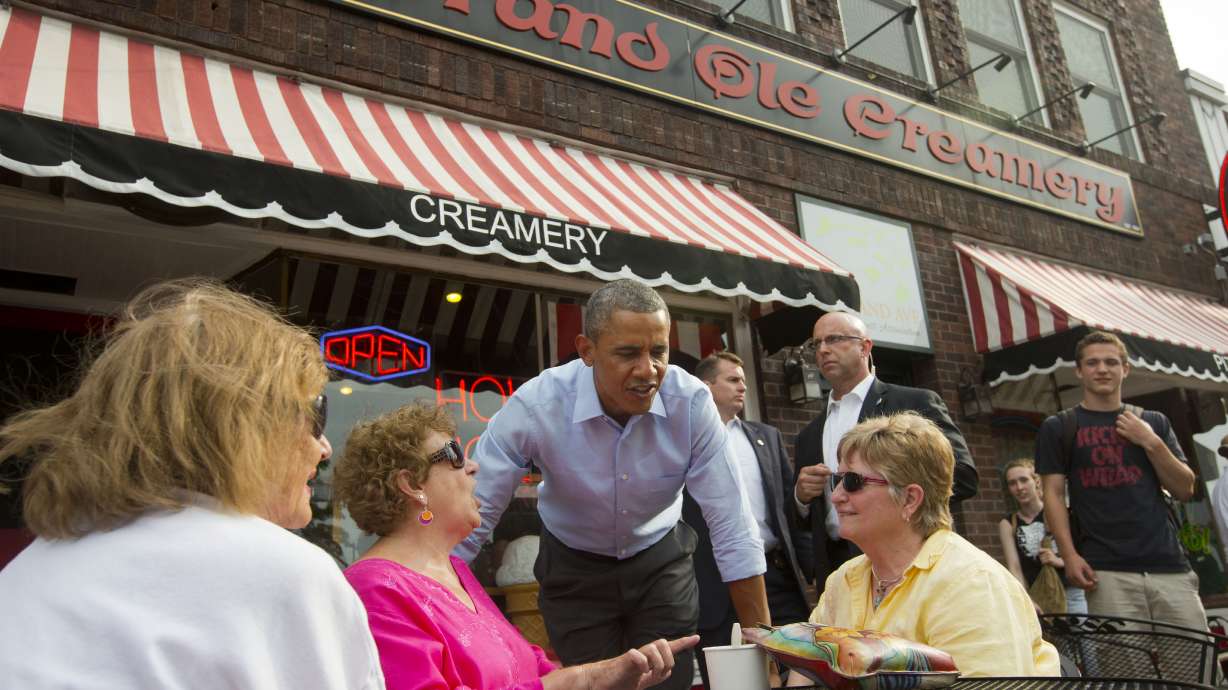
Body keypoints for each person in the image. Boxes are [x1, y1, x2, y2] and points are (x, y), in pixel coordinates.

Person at [0, 280, 384, 689]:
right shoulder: (282, 574)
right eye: (315, 414)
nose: (323, 447)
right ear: (246, 424)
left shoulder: (33, 566)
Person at [456, 278, 771, 690]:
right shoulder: (537, 406)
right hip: (573, 566)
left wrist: (763, 639)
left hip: (661, 561)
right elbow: (473, 517)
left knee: (666, 683)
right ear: (586, 350)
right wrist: (427, 601)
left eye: (658, 351)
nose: (648, 370)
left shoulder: (691, 402)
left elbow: (732, 522)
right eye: (627, 354)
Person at [334, 402, 697, 690]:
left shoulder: (456, 570)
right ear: (411, 484)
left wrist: (613, 674)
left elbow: (534, 670)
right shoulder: (374, 589)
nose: (472, 466)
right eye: (455, 455)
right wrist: (578, 682)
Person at [786, 413, 1059, 684]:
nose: (836, 496)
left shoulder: (970, 583)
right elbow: (805, 669)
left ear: (910, 498)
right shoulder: (844, 580)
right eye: (837, 480)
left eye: (853, 482)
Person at [793, 311, 977, 594]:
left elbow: (961, 476)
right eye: (816, 344)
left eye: (834, 339)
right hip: (840, 573)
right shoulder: (808, 435)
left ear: (865, 347)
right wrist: (801, 497)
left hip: (908, 561)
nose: (823, 350)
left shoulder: (912, 403)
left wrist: (892, 497)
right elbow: (801, 521)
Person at [1037, 331, 1204, 630]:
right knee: (1127, 673)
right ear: (1079, 371)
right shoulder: (1059, 427)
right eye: (1093, 363)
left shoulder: (1153, 422)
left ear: (1125, 369)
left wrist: (1151, 442)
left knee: (1195, 671)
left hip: (1169, 567)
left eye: (1111, 362)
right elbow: (1052, 494)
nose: (1102, 369)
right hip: (1105, 571)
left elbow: (1184, 488)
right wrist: (1070, 555)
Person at [683, 352, 810, 688]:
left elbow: (786, 510)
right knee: (733, 682)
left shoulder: (766, 436)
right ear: (705, 386)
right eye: (733, 379)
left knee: (798, 675)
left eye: (744, 379)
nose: (743, 386)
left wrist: (806, 568)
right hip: (715, 586)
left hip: (777, 579)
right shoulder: (684, 441)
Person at [998, 458, 1087, 614]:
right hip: (1039, 596)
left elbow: (1083, 554)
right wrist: (1027, 600)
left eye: (1024, 480)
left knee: (1083, 637)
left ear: (1036, 481)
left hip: (1071, 592)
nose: (1019, 487)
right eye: (1012, 483)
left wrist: (1058, 561)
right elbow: (1015, 567)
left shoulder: (1058, 512)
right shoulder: (1008, 524)